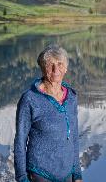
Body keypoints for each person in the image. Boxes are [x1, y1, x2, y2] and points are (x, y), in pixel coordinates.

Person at [14, 44, 83, 182]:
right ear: (42, 68)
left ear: (66, 68)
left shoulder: (71, 97)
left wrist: (77, 174)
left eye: (60, 64)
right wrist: (22, 177)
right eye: (50, 64)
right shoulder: (30, 99)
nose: (55, 69)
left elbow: (74, 137)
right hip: (41, 173)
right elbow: (20, 140)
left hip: (67, 173)